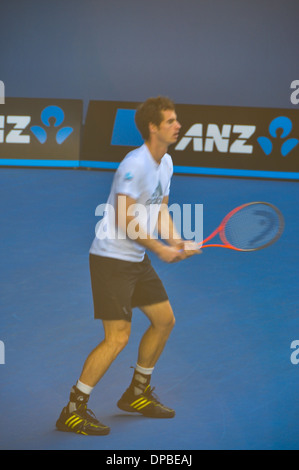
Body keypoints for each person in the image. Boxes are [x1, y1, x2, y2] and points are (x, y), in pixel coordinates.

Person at [56, 96, 201, 436]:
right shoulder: (133, 165)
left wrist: (176, 240)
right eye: (170, 121)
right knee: (117, 337)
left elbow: (159, 208)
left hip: (136, 258)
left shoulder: (166, 162)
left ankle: (137, 392)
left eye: (176, 119)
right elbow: (123, 218)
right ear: (153, 127)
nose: (177, 125)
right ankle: (73, 408)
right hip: (111, 260)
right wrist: (160, 250)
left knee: (164, 321)